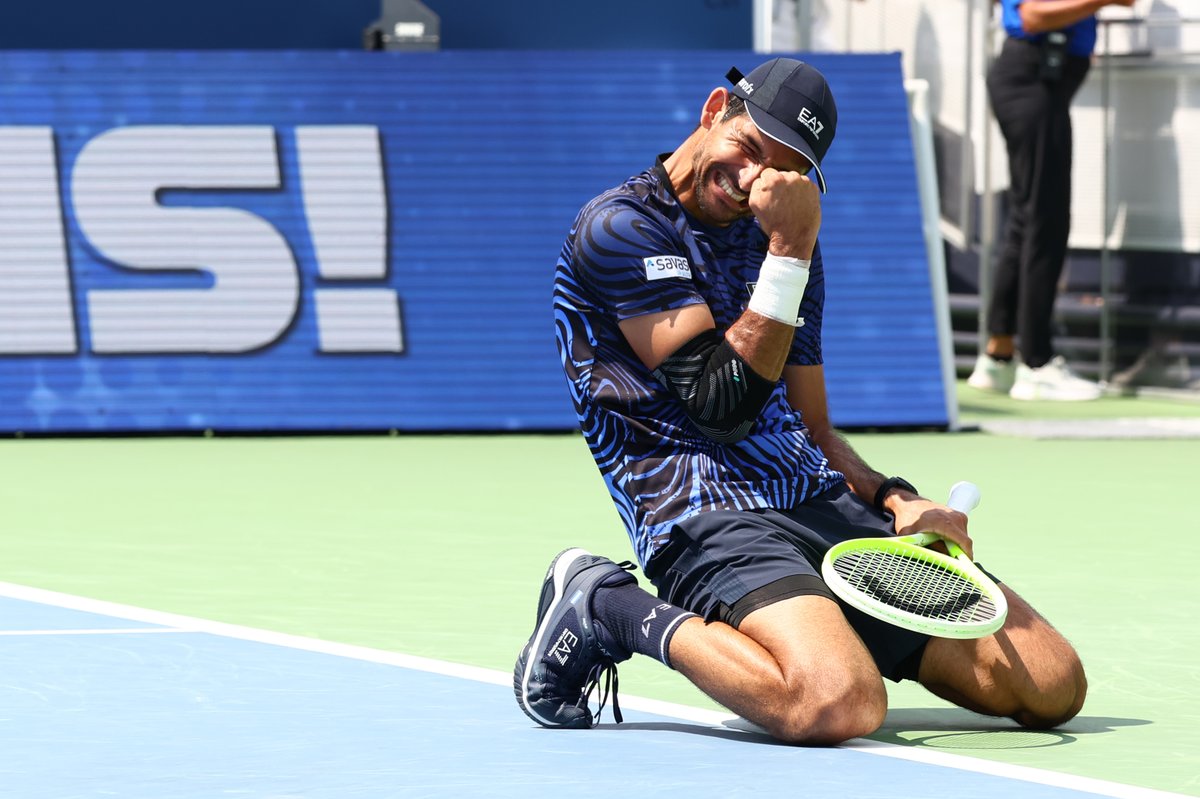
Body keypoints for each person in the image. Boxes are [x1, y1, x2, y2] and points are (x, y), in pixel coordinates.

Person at [514, 57, 1087, 744]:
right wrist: (790, 247)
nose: (755, 178)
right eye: (749, 147)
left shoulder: (784, 239)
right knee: (837, 701)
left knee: (1052, 683)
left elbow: (812, 425)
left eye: (783, 169)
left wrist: (894, 498)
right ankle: (610, 607)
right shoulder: (622, 227)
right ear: (714, 110)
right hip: (698, 511)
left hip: (815, 501)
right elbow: (719, 405)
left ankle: (820, 625)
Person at [968, 0, 1134, 401]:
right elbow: (1032, 16)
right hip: (1032, 80)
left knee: (1029, 220)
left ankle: (1000, 354)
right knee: (1047, 220)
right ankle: (1037, 364)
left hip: (1039, 81)